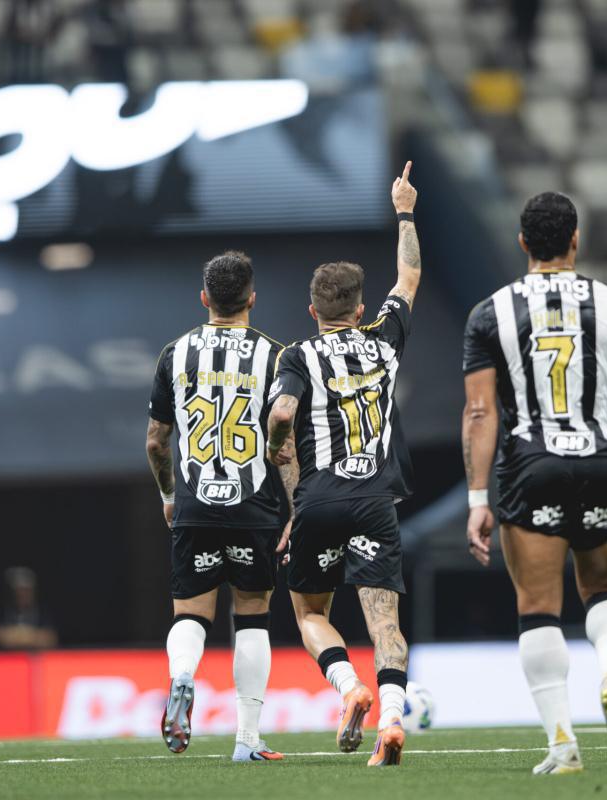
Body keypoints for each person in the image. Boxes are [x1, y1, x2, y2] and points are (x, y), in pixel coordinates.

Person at [461, 191, 607, 775]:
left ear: (523, 242)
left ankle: (563, 744)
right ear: (576, 240)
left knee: (538, 608)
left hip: (532, 468)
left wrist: (478, 499)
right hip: (601, 465)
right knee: (606, 591)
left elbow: (479, 412)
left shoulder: (489, 313)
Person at [265, 162, 420, 767]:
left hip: (320, 500)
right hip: (375, 500)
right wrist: (403, 209)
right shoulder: (384, 341)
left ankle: (348, 687)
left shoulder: (297, 355)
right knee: (385, 622)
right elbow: (409, 275)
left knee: (310, 611)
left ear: (313, 311)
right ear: (359, 309)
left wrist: (278, 443)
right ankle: (393, 718)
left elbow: (282, 413)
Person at [146, 250, 292, 763]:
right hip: (255, 504)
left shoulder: (175, 353)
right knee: (252, 616)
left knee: (191, 612)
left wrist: (169, 496)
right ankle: (247, 739)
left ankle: (182, 676)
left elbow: (156, 441)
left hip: (195, 503)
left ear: (204, 297)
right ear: (252, 298)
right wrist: (295, 507)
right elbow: (285, 440)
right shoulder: (276, 356)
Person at [0, 567, 57, 650]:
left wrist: (18, 635)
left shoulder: (42, 612)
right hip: (10, 656)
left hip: (35, 655)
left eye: (26, 590)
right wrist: (32, 636)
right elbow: (0, 637)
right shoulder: (4, 612)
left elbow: (50, 639)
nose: (22, 594)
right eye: (19, 590)